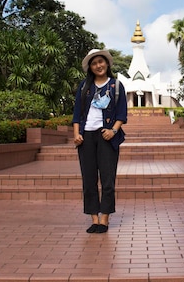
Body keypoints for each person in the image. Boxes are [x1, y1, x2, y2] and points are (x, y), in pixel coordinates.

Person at [72, 49, 127, 234]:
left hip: (106, 136)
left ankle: (104, 219)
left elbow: (122, 113)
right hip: (86, 137)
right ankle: (94, 218)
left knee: (107, 179)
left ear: (107, 64)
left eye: (101, 62)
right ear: (90, 67)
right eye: (94, 63)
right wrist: (76, 133)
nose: (98, 66)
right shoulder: (84, 86)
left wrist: (113, 130)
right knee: (89, 180)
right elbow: (77, 113)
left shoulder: (116, 86)